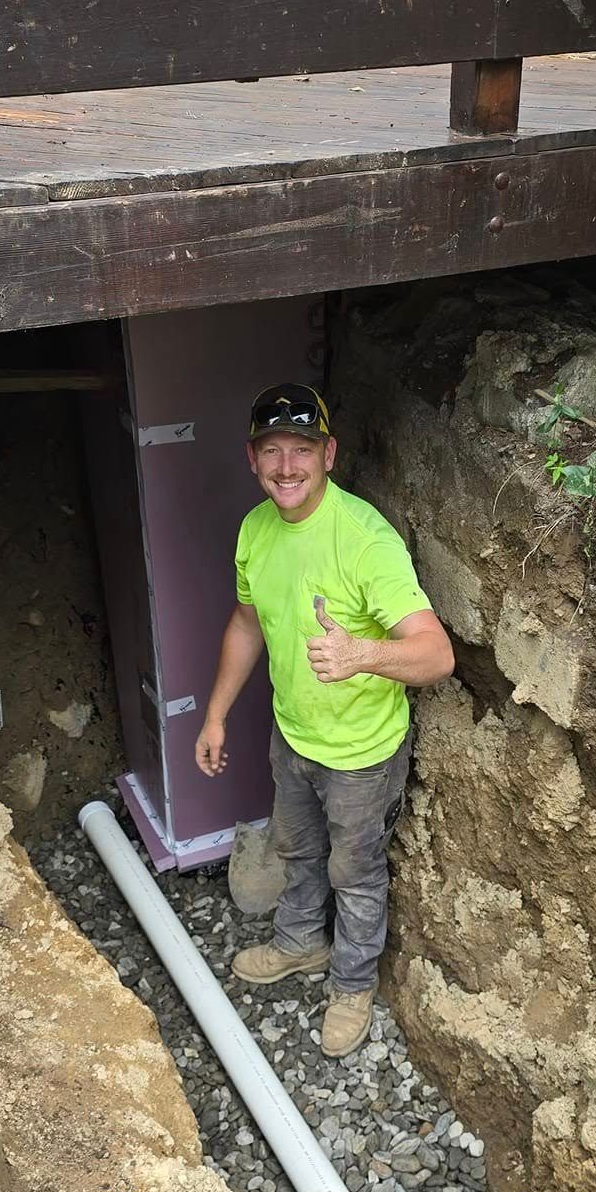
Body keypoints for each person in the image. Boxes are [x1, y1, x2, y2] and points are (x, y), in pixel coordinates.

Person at [195, 382, 454, 1059]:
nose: (287, 466)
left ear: (328, 453)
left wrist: (362, 653)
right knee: (297, 848)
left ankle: (351, 984)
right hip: (294, 734)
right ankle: (300, 943)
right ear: (252, 460)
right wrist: (216, 715)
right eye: (272, 451)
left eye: (302, 450)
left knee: (356, 873)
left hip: (363, 755)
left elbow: (437, 654)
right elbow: (248, 624)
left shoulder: (365, 541)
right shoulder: (256, 531)